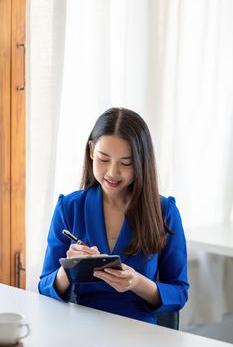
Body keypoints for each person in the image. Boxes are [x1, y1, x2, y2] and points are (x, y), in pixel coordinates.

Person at [38, 107, 189, 324]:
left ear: (141, 162)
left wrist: (136, 282)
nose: (112, 173)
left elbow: (179, 292)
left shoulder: (164, 212)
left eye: (126, 163)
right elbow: (45, 286)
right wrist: (69, 269)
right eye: (103, 159)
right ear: (91, 151)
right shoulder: (69, 207)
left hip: (139, 334)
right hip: (81, 329)